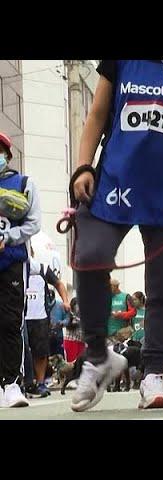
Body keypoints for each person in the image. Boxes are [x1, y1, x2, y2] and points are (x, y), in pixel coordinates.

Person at [70, 60, 163, 412]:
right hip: (114, 182)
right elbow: (96, 116)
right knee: (90, 255)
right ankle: (98, 357)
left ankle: (154, 373)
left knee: (162, 286)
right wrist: (83, 166)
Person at [0, 131, 41, 408]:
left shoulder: (24, 183)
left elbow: (34, 223)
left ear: (7, 154)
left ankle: (11, 384)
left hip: (12, 263)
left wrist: (8, 237)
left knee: (10, 323)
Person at [24, 254, 71, 397]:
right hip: (20, 317)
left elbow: (59, 284)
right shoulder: (13, 267)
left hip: (40, 317)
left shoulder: (42, 269)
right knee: (22, 351)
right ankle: (23, 382)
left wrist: (65, 301)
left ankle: (40, 382)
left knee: (41, 352)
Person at [107, 278, 135, 342]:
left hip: (122, 333)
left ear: (116, 286)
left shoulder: (126, 297)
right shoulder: (106, 298)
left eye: (109, 286)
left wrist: (121, 315)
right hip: (108, 334)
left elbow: (133, 312)